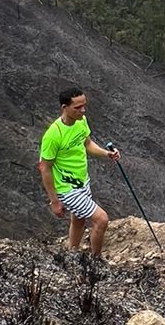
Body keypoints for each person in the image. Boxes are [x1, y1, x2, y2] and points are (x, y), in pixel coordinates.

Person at [37, 87, 121, 256]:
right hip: (66, 188)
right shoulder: (53, 135)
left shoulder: (81, 121)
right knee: (101, 220)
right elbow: (44, 168)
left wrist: (107, 154)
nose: (82, 110)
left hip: (83, 181)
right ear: (64, 108)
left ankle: (72, 254)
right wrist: (54, 201)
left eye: (84, 106)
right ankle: (96, 261)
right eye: (77, 107)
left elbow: (87, 143)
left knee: (79, 219)